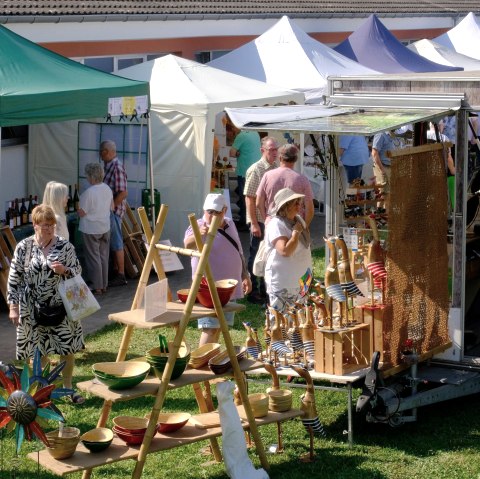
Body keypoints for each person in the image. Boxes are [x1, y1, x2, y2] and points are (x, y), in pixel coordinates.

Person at [7, 204, 85, 403]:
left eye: (52, 225)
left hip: (61, 304)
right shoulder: (24, 247)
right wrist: (13, 307)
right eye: (44, 225)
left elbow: (78, 271)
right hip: (31, 307)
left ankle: (68, 389)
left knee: (66, 349)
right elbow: (14, 278)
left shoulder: (65, 246)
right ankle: (42, 392)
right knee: (37, 350)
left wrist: (64, 270)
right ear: (34, 225)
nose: (49, 229)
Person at [184, 193, 251, 346]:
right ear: (204, 210)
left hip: (228, 288)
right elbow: (187, 245)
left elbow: (239, 251)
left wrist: (245, 275)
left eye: (216, 212)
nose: (212, 215)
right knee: (209, 328)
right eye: (209, 212)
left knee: (220, 327)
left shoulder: (229, 224)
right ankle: (201, 361)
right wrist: (197, 235)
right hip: (208, 289)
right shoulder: (198, 226)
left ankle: (209, 359)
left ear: (225, 210)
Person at [264, 188, 312, 312]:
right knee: (280, 322)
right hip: (283, 283)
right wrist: (295, 233)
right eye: (295, 203)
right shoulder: (276, 224)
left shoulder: (298, 220)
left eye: (299, 202)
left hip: (302, 281)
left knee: (299, 322)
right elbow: (285, 251)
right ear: (285, 206)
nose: (299, 205)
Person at [243, 136, 278, 304]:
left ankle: (265, 289)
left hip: (271, 220)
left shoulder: (276, 168)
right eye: (271, 149)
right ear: (262, 150)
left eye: (276, 149)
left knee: (269, 255)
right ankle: (253, 290)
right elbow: (249, 198)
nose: (275, 153)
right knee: (255, 255)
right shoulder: (255, 169)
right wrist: (254, 223)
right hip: (259, 220)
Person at [256, 143, 314, 226]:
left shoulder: (267, 176)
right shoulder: (302, 179)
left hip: (273, 223)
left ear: (280, 158)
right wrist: (304, 227)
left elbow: (258, 202)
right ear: (295, 159)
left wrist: (266, 219)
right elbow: (310, 209)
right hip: (295, 225)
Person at [78, 163, 113, 295]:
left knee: (94, 258)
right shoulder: (107, 189)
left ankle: (97, 286)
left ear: (91, 177)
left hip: (91, 228)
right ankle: (104, 284)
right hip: (105, 226)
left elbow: (82, 212)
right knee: (104, 256)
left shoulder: (89, 193)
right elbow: (111, 206)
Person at [101, 139, 128, 287]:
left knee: (117, 242)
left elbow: (123, 192)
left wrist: (112, 208)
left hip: (114, 211)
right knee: (113, 242)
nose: (100, 155)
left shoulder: (116, 167)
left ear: (107, 152)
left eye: (102, 152)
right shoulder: (109, 165)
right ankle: (116, 270)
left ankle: (121, 274)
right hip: (112, 210)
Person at [229, 126, 261, 230]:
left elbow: (232, 153)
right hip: (255, 170)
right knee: (251, 196)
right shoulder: (255, 133)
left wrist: (238, 153)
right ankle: (249, 220)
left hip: (244, 171)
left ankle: (245, 222)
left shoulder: (241, 136)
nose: (233, 131)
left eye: (233, 128)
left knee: (244, 197)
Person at [371, 130, 401, 209]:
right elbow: (374, 153)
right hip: (383, 167)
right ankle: (381, 216)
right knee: (384, 194)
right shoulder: (381, 134)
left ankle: (383, 216)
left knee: (387, 194)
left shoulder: (393, 135)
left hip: (390, 167)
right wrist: (382, 170)